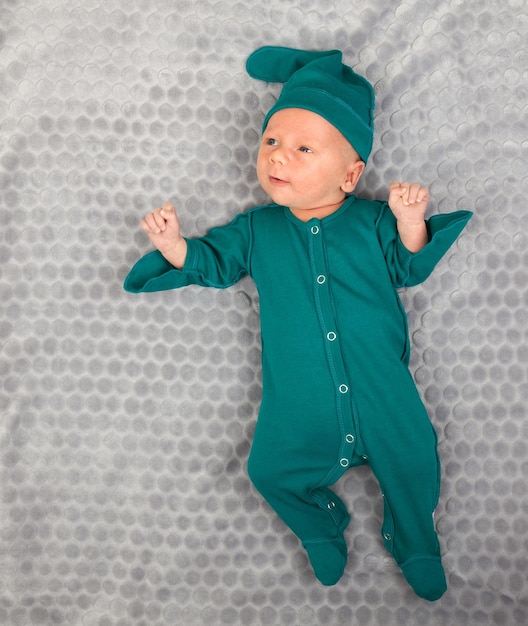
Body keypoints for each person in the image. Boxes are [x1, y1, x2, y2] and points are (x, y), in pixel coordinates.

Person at [124, 46, 472, 601]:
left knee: (413, 458)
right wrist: (174, 245)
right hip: (300, 397)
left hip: (382, 386)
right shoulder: (258, 229)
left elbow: (410, 265)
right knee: (267, 470)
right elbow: (213, 263)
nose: (278, 158)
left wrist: (410, 222)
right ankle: (320, 522)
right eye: (271, 143)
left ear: (351, 173)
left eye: (304, 148)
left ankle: (414, 536)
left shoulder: (373, 220)